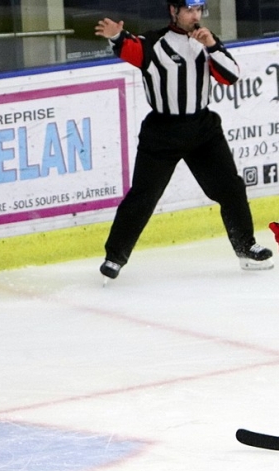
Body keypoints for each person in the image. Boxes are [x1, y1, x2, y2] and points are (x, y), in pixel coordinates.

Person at [94, 0, 273, 280]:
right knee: (143, 196)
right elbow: (130, 47)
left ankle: (246, 247)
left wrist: (212, 45)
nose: (195, 16)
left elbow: (231, 76)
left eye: (199, 10)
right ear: (173, 11)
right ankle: (114, 257)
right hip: (162, 132)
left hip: (203, 129)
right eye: (189, 10)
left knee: (231, 188)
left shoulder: (207, 42)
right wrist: (116, 36)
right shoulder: (154, 43)